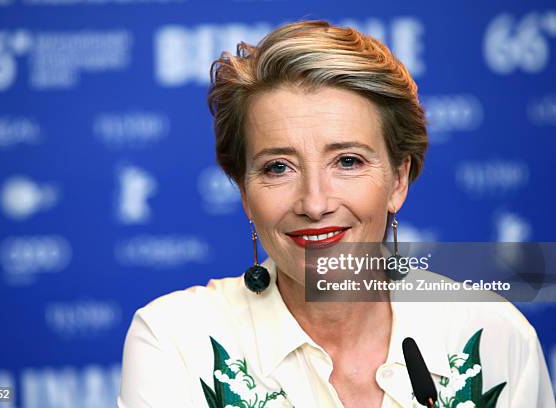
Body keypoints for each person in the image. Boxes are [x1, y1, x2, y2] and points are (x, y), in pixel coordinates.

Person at [117, 21, 554, 408]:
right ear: (245, 194)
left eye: (347, 161)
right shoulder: (176, 340)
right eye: (278, 167)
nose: (315, 202)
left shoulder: (496, 336)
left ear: (398, 181)